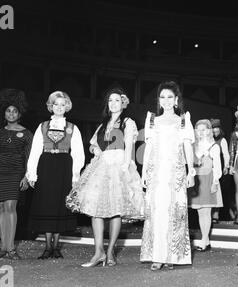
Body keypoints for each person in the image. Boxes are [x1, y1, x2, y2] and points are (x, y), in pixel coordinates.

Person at [66, 87, 144, 267]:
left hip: (119, 166)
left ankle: (111, 252)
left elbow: (129, 147)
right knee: (96, 209)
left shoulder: (127, 122)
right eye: (110, 100)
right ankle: (98, 252)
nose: (113, 103)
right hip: (101, 166)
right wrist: (94, 149)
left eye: (117, 100)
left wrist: (126, 167)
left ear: (123, 103)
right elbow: (93, 145)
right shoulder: (103, 123)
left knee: (116, 210)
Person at [140, 80, 195, 271]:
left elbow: (187, 145)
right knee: (157, 212)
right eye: (162, 97)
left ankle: (172, 255)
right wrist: (144, 171)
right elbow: (149, 148)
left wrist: (191, 171)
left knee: (175, 213)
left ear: (176, 99)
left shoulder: (183, 120)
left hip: (176, 173)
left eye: (170, 97)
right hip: (157, 173)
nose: (166, 100)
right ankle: (157, 255)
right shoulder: (152, 119)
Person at [27, 91, 85, 259]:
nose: (59, 107)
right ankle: (47, 246)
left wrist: (75, 176)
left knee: (60, 204)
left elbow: (79, 153)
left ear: (66, 107)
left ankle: (56, 246)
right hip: (45, 166)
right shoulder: (43, 126)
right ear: (50, 106)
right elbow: (35, 150)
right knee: (47, 203)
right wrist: (32, 173)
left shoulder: (72, 128)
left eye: (62, 104)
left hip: (64, 167)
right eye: (56, 104)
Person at [0, 89, 33, 260]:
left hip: (15, 174)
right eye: (8, 110)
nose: (11, 114)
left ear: (19, 114)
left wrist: (27, 176)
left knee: (10, 207)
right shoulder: (0, 132)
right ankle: (3, 247)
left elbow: (30, 157)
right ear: (4, 113)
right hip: (0, 173)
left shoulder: (27, 134)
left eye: (14, 111)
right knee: (1, 209)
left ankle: (11, 248)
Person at [188, 119, 222, 251]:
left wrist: (215, 182)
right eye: (198, 129)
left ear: (209, 131)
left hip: (208, 179)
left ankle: (204, 240)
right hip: (196, 180)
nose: (201, 132)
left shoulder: (214, 146)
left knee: (206, 212)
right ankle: (206, 240)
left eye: (204, 129)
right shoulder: (192, 146)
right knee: (199, 212)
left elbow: (218, 167)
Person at [210, 118, 232, 223]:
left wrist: (226, 166)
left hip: (219, 167)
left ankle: (216, 214)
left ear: (219, 129)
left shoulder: (222, 140)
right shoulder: (208, 140)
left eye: (216, 128)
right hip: (209, 168)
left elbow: (226, 154)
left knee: (219, 192)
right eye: (212, 129)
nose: (214, 131)